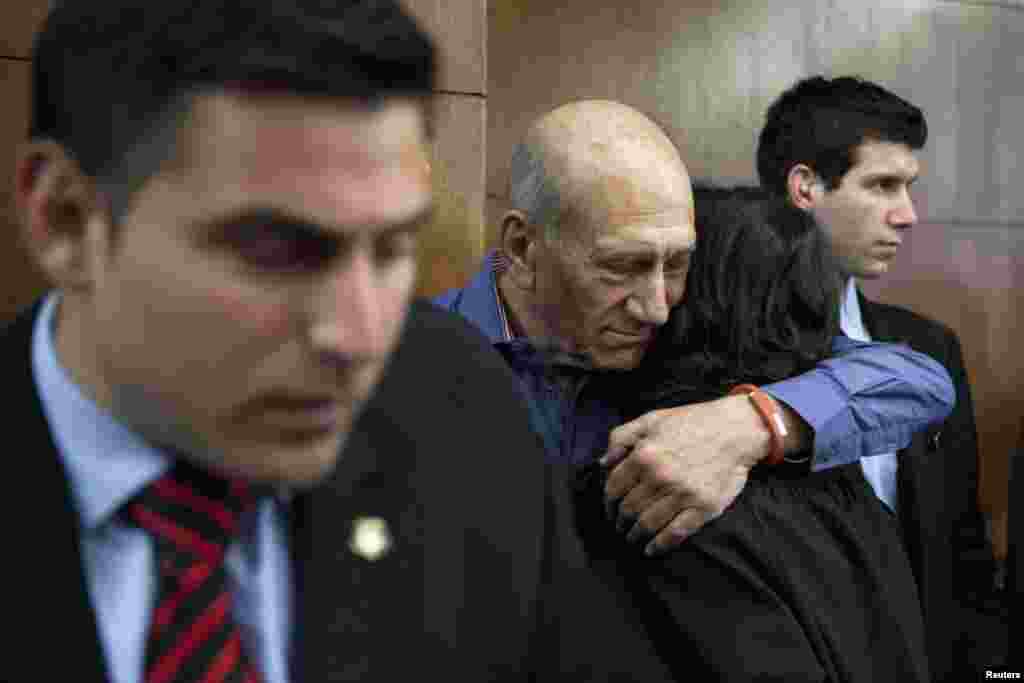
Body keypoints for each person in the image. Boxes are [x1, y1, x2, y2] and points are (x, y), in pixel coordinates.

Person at [5, 2, 674, 681]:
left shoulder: (459, 410)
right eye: (279, 251)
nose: (360, 338)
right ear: (66, 220)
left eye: (391, 247)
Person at [436, 99, 954, 555]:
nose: (658, 307)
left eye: (678, 263)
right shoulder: (410, 363)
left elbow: (920, 381)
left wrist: (754, 422)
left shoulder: (670, 335)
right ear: (524, 248)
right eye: (623, 267)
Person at [574, 185, 930, 682]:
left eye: (673, 268)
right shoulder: (845, 480)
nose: (652, 297)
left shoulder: (661, 493)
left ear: (690, 300)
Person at [756, 75, 1000, 681]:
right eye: (882, 185)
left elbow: (962, 560)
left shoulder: (929, 348)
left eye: (908, 187)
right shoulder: (731, 361)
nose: (908, 215)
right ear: (805, 186)